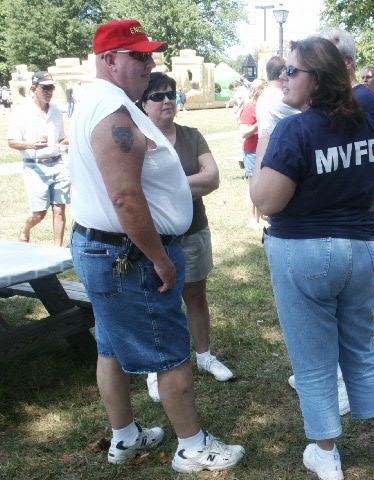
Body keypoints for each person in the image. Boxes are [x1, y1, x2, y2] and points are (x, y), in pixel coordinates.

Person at [67, 19, 244, 473]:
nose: (150, 65)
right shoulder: (112, 114)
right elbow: (125, 197)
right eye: (138, 56)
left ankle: (125, 437)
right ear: (109, 60)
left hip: (107, 249)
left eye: (150, 55)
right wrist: (160, 258)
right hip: (129, 254)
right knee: (169, 352)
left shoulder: (105, 101)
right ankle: (192, 446)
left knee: (110, 347)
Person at [250, 36, 374, 480]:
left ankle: (325, 453)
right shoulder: (368, 122)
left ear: (317, 79)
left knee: (314, 362)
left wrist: (265, 143)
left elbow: (267, 200)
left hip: (304, 250)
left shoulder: (295, 130)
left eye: (292, 71)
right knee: (359, 347)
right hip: (361, 248)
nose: (284, 77)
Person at [137, 72, 234, 402]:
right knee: (157, 303)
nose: (166, 100)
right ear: (143, 103)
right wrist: (189, 184)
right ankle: (156, 368)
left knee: (196, 295)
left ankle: (204, 355)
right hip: (155, 239)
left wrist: (165, 187)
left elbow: (214, 178)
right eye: (157, 96)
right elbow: (136, 190)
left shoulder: (192, 136)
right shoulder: (138, 139)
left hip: (193, 231)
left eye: (171, 94)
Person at [319, 27, 374, 251]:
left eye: (326, 58)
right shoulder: (332, 100)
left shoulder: (367, 102)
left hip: (362, 220)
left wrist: (364, 208)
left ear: (348, 62)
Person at [8, 71, 70, 246]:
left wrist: (70, 141)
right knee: (39, 213)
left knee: (59, 208)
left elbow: (60, 139)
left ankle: (57, 248)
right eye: (45, 88)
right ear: (34, 88)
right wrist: (31, 144)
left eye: (51, 88)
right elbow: (12, 142)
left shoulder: (56, 112)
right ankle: (25, 229)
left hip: (57, 163)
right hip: (34, 166)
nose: (49, 92)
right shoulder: (22, 112)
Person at [239, 78, 267, 228]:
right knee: (252, 185)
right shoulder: (249, 108)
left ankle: (260, 217)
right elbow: (243, 132)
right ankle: (251, 219)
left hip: (262, 150)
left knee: (261, 185)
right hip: (251, 152)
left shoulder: (264, 107)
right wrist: (258, 124)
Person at [256, 56, 299, 138]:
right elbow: (308, 118)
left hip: (266, 144)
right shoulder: (279, 98)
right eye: (288, 70)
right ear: (282, 72)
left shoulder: (265, 95)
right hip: (276, 146)